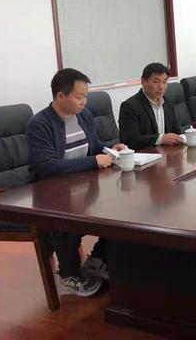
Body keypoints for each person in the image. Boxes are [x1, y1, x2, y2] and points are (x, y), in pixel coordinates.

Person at [27, 68, 127, 296]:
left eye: (86, 97)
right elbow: (46, 166)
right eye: (79, 97)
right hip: (51, 192)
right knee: (67, 219)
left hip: (83, 184)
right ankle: (68, 274)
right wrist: (93, 161)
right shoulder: (39, 124)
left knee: (119, 208)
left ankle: (98, 258)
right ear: (60, 96)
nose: (84, 102)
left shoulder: (84, 115)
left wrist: (111, 149)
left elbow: (93, 146)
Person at [119, 63, 183, 150]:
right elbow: (130, 140)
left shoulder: (168, 103)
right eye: (155, 82)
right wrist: (160, 139)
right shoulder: (130, 106)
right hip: (145, 155)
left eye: (164, 82)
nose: (161, 87)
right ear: (143, 81)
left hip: (168, 152)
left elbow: (176, 132)